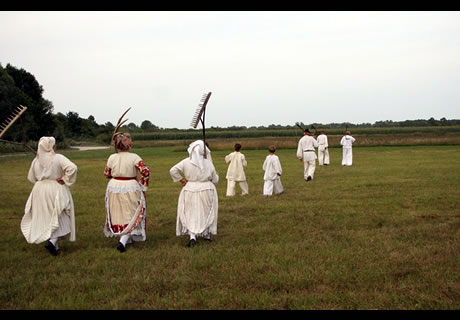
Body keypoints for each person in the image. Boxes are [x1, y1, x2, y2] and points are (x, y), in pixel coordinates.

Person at [21, 136, 78, 256]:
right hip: (54, 188)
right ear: (52, 147)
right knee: (60, 215)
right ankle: (52, 242)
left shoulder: (36, 160)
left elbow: (31, 177)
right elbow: (72, 168)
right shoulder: (58, 158)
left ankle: (55, 247)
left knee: (48, 216)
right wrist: (64, 179)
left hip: (38, 190)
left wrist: (41, 180)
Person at [103, 132, 150, 253]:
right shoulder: (134, 157)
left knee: (118, 211)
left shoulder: (112, 157)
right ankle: (123, 241)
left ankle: (124, 237)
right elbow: (145, 171)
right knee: (131, 211)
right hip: (130, 186)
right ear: (129, 145)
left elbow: (107, 173)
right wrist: (143, 184)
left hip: (114, 186)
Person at [169, 140, 219, 247]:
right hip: (206, 189)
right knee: (206, 211)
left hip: (190, 189)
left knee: (190, 212)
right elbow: (215, 179)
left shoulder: (186, 161)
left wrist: (181, 180)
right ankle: (206, 234)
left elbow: (173, 170)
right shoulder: (208, 163)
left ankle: (192, 236)